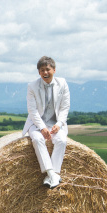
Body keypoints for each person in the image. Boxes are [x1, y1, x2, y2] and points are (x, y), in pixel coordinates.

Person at [22, 56, 70, 188]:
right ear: (39, 72)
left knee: (62, 141)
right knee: (37, 140)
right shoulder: (32, 86)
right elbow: (32, 110)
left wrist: (59, 124)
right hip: (36, 123)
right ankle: (52, 174)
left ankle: (52, 174)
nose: (45, 73)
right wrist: (42, 127)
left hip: (56, 123)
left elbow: (65, 107)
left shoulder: (63, 83)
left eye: (47, 69)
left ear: (54, 70)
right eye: (42, 70)